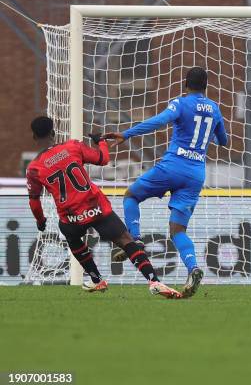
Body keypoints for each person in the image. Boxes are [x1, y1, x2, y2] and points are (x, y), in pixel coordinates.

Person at [103, 67, 228, 298]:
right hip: (195, 174)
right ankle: (193, 268)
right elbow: (224, 141)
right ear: (206, 86)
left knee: (131, 195)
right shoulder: (214, 108)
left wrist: (127, 134)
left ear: (185, 85)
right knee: (178, 230)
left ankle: (136, 240)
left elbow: (159, 120)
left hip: (173, 166)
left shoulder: (180, 103)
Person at [26, 116, 182, 298]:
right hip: (95, 207)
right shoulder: (72, 146)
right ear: (53, 133)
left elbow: (34, 201)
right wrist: (100, 142)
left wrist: (40, 221)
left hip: (70, 217)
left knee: (72, 237)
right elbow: (103, 159)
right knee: (125, 240)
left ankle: (97, 279)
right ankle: (154, 281)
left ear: (34, 138)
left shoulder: (34, 168)